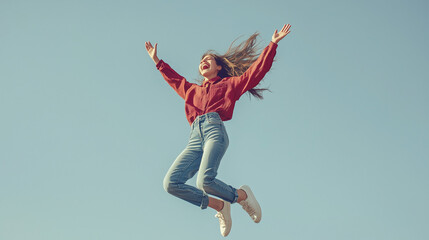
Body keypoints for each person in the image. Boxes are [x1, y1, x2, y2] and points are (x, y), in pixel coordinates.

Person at [145, 24, 291, 237]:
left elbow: (255, 73)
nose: (203, 62)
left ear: (218, 68)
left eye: (209, 60)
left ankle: (241, 196)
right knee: (170, 183)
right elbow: (175, 80)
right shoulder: (191, 91)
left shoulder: (229, 85)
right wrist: (157, 62)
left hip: (214, 131)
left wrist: (273, 44)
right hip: (195, 138)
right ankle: (220, 206)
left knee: (204, 181)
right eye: (201, 60)